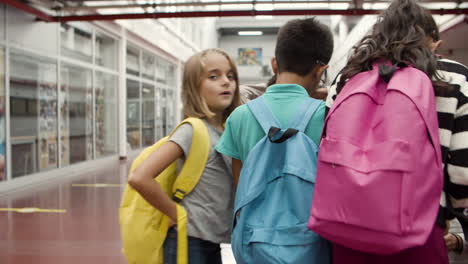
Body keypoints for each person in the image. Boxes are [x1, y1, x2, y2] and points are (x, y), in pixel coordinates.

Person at [323, 0, 467, 263]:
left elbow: (323, 148)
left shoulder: (346, 78)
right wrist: (447, 212)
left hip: (347, 229)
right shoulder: (455, 78)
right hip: (419, 231)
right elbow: (462, 173)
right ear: (433, 42)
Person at [216, 17, 333, 263]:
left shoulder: (240, 117)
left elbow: (242, 188)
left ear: (273, 64)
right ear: (321, 71)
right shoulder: (328, 116)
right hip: (311, 243)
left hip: (254, 244)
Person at [128, 48, 241, 264]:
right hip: (189, 241)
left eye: (230, 75)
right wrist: (176, 214)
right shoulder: (192, 129)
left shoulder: (225, 129)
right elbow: (139, 177)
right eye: (213, 76)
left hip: (210, 241)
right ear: (194, 86)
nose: (226, 82)